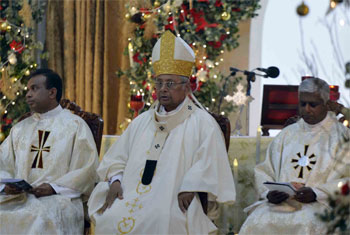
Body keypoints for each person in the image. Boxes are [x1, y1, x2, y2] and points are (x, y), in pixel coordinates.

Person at [88, 31, 236, 234]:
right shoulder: (142, 121)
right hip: (130, 193)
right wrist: (115, 181)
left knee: (162, 221)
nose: (163, 89)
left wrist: (191, 186)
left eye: (170, 83)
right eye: (159, 83)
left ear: (186, 87)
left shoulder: (203, 123)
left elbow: (209, 162)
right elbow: (117, 159)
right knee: (111, 218)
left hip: (173, 196)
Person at [239, 77, 350, 234]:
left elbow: (347, 180)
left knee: (308, 224)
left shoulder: (342, 136)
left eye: (313, 104)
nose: (307, 109)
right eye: (302, 103)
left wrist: (317, 193)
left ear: (326, 104)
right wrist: (269, 193)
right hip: (281, 204)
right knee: (256, 222)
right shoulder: (286, 135)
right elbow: (265, 170)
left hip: (322, 205)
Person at [0, 69, 98, 234]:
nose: (28, 95)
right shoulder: (19, 129)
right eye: (28, 90)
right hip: (18, 198)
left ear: (52, 92)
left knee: (39, 217)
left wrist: (54, 187)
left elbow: (87, 171)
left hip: (60, 198)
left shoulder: (75, 125)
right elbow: (3, 163)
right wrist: (6, 187)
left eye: (34, 88)